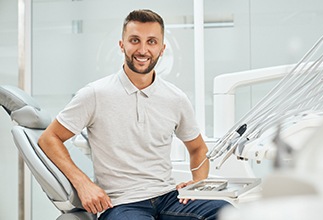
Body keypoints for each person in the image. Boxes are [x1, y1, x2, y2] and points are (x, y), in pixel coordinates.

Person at [38, 9, 230, 220]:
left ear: (162, 48)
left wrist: (197, 183)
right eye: (135, 40)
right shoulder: (95, 94)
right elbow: (49, 138)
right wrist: (83, 183)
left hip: (168, 197)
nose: (143, 50)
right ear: (122, 45)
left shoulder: (176, 98)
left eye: (151, 42)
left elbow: (198, 148)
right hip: (121, 204)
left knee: (226, 212)